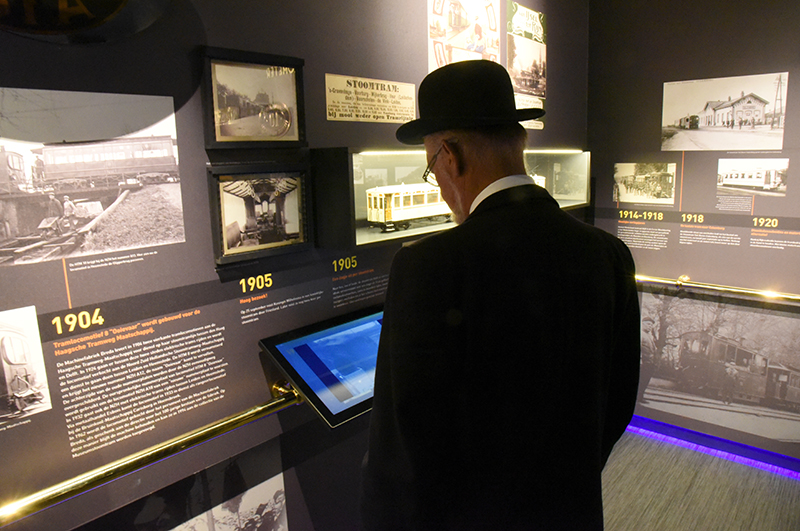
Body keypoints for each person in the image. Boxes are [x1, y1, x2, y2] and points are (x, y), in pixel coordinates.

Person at [360, 60, 641, 530]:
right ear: (520, 143)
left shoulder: (428, 265)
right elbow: (618, 399)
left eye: (431, 167)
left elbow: (401, 442)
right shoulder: (607, 253)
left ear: (450, 157)